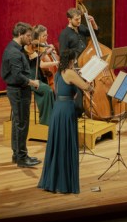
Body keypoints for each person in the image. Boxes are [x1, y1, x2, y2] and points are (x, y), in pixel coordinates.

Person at [37, 50, 92, 194]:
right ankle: (64, 183)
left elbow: (61, 91)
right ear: (72, 60)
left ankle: (52, 181)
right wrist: (90, 83)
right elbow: (86, 88)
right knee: (66, 144)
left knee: (57, 145)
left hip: (57, 110)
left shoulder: (58, 73)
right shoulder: (70, 72)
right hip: (67, 110)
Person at [1, 22, 42, 168]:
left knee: (18, 123)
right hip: (19, 90)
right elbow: (17, 76)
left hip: (19, 90)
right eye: (28, 36)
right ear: (20, 34)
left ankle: (17, 155)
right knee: (22, 124)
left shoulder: (16, 49)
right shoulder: (14, 53)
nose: (30, 38)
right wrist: (32, 82)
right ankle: (22, 157)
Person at [58, 7, 99, 115]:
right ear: (69, 19)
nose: (79, 21)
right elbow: (63, 54)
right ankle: (78, 112)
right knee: (79, 88)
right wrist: (72, 62)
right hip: (75, 64)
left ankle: (89, 109)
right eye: (76, 19)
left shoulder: (81, 28)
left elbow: (95, 33)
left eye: (80, 19)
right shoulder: (64, 34)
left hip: (86, 62)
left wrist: (93, 22)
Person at [26, 24, 58, 125]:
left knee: (51, 90)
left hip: (40, 76)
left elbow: (38, 58)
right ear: (38, 37)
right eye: (44, 35)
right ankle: (46, 120)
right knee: (48, 90)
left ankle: (53, 116)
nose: (46, 37)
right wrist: (55, 63)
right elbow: (40, 64)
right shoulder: (30, 47)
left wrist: (47, 51)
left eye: (46, 35)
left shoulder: (39, 47)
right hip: (32, 78)